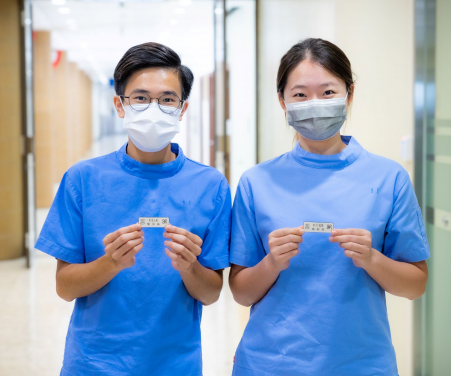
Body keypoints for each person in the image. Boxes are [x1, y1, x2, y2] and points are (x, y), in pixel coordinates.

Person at [228, 38, 430, 375]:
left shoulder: (388, 178)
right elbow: (241, 292)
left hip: (361, 363)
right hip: (271, 363)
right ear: (282, 101)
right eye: (300, 95)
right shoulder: (257, 182)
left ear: (349, 95)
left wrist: (372, 259)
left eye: (327, 92)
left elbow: (415, 284)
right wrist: (272, 263)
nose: (314, 104)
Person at [35, 42, 231, 375]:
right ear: (120, 105)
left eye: (167, 99)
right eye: (140, 98)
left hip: (174, 362)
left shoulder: (210, 185)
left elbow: (211, 293)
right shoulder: (82, 180)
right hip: (94, 362)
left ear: (182, 108)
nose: (154, 108)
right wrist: (111, 262)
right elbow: (65, 287)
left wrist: (189, 267)